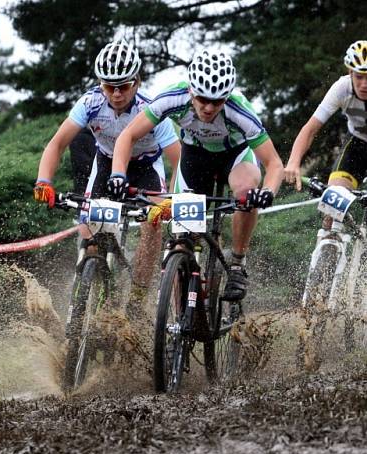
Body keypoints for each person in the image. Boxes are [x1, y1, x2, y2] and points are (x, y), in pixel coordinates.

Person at [112, 49, 284, 301]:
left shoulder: (240, 111)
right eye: (202, 99)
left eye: (217, 101)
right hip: (194, 156)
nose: (208, 107)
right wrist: (118, 174)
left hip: (234, 157)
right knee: (181, 241)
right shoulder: (173, 98)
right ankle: (181, 305)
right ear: (191, 91)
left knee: (247, 194)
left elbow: (274, 164)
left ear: (226, 97)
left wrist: (267, 192)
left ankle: (237, 264)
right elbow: (128, 135)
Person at [33, 39, 181, 315]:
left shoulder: (150, 110)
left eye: (123, 86)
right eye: (108, 86)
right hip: (105, 164)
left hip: (145, 167)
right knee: (88, 224)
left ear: (136, 82)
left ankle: (137, 297)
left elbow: (179, 160)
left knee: (153, 224)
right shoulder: (90, 103)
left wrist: (172, 198)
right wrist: (44, 181)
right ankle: (88, 278)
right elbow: (56, 144)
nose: (115, 93)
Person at [283, 40, 367, 282]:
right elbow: (310, 129)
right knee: (333, 197)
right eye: (359, 76)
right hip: (357, 144)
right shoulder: (341, 88)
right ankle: (327, 248)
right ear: (350, 73)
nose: (364, 83)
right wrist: (293, 162)